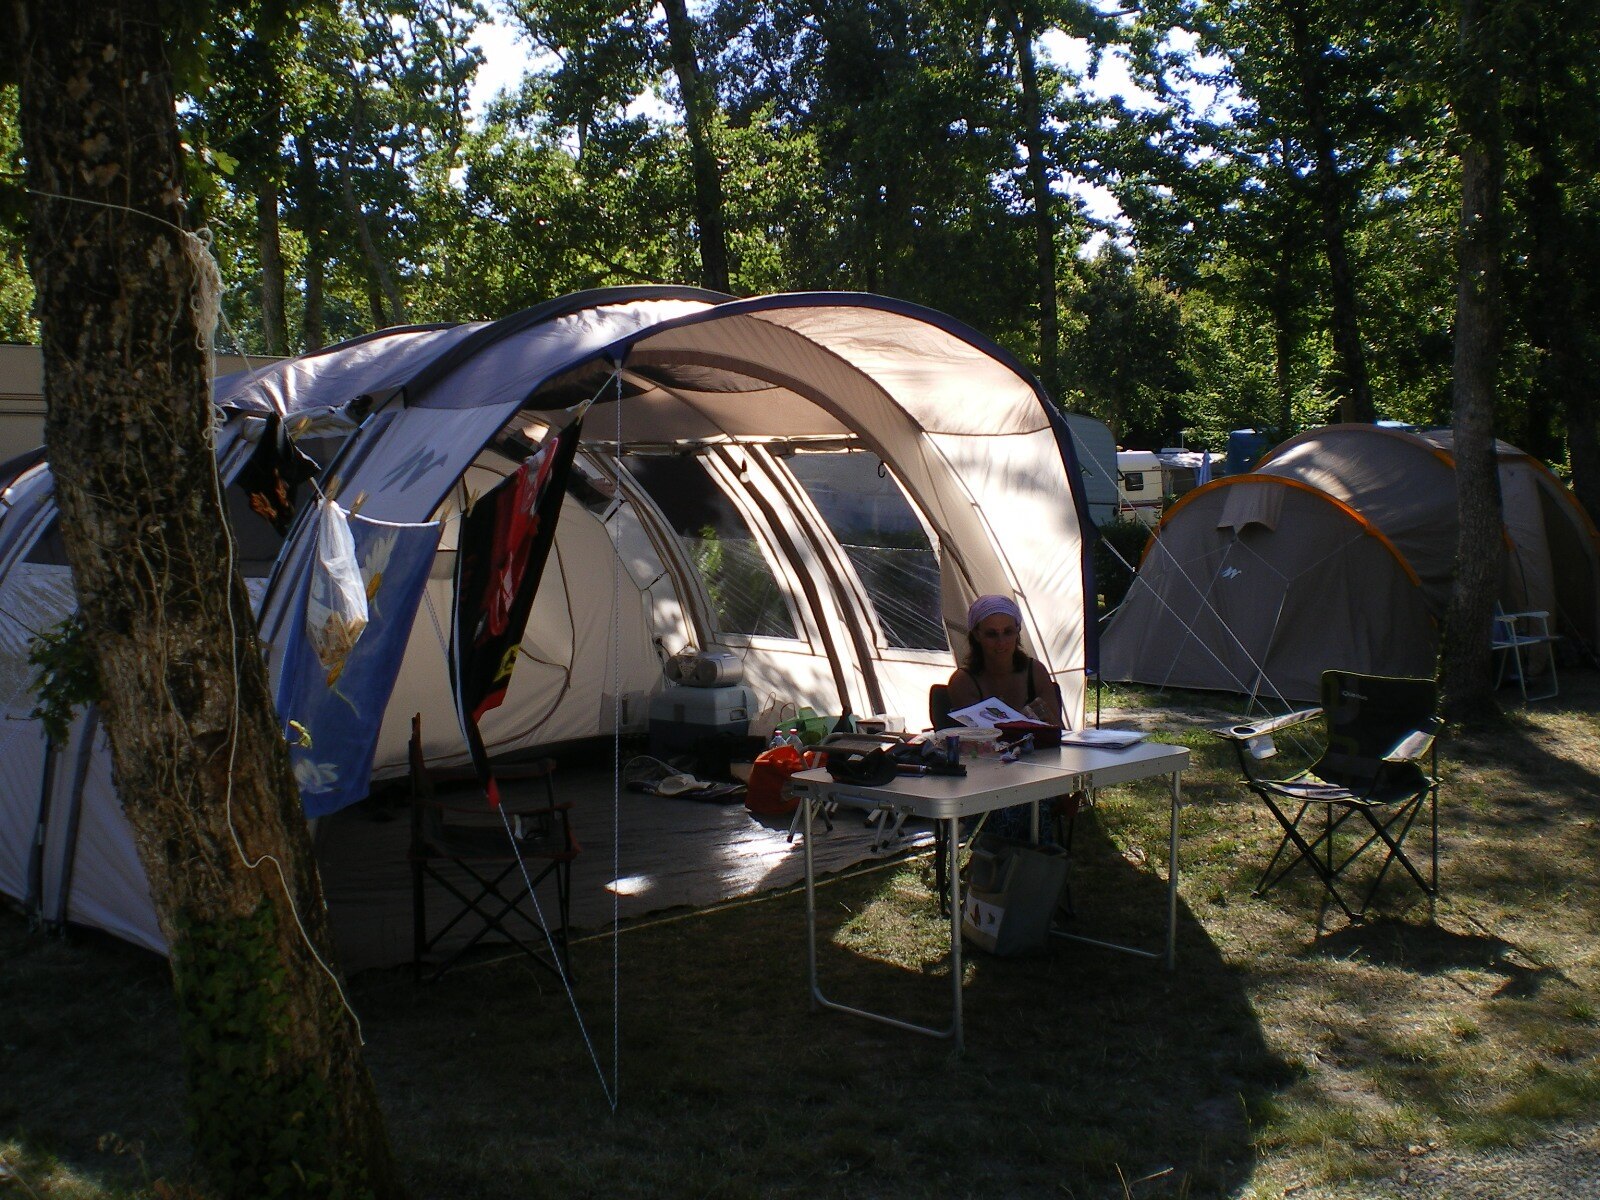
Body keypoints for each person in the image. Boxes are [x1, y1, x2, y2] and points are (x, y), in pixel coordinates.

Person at [945, 594, 1062, 727]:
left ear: (1017, 632)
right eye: (991, 634)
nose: (1001, 642)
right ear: (977, 635)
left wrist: (1048, 717)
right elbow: (976, 739)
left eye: (1008, 632)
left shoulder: (1036, 671)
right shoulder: (964, 681)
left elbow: (1059, 730)